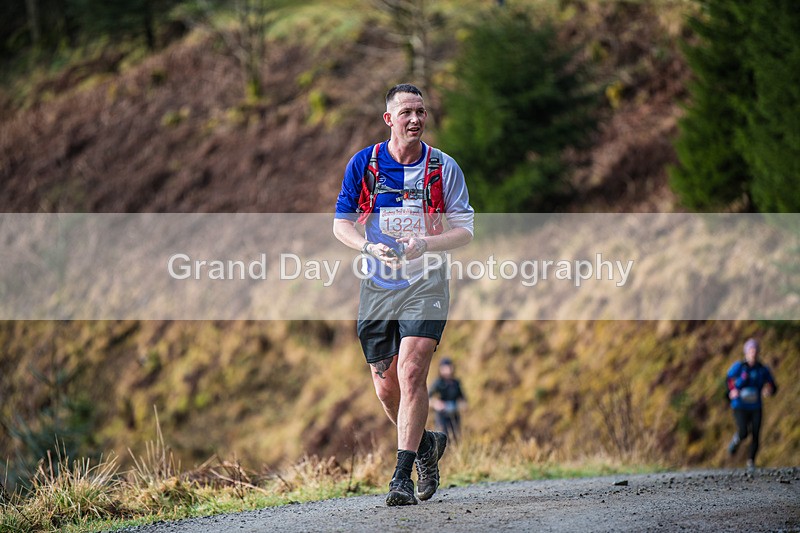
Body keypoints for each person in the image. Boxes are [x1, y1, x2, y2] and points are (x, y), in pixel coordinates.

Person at [333, 83, 474, 506]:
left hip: (427, 281)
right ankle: (427, 445)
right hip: (377, 283)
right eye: (406, 112)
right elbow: (341, 224)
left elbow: (466, 230)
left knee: (412, 371)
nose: (415, 119)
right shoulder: (366, 164)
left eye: (421, 111)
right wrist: (367, 245)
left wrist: (426, 244)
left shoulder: (442, 167)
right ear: (389, 119)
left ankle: (401, 475)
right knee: (386, 388)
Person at [726, 338, 777, 469]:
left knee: (756, 432)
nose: (753, 353)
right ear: (746, 353)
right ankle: (736, 441)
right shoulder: (739, 367)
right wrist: (732, 391)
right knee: (744, 431)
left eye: (755, 350)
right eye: (750, 350)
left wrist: (769, 390)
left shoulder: (762, 369)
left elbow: (772, 384)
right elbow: (729, 379)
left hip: (755, 406)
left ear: (758, 352)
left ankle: (751, 462)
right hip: (740, 405)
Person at [429, 357, 466, 443]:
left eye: (449, 367)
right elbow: (428, 397)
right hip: (442, 417)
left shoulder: (456, 383)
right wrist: (436, 404)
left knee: (455, 438)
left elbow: (463, 399)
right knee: (442, 439)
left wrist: (459, 405)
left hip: (454, 416)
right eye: (445, 368)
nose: (448, 370)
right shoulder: (438, 383)